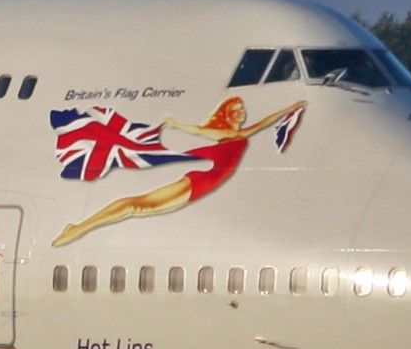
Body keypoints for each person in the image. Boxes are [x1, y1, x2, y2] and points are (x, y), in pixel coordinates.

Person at [53, 95, 303, 247]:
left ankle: (78, 227)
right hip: (198, 182)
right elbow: (197, 131)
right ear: (227, 114)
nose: (241, 114)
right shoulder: (223, 133)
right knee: (136, 206)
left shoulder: (239, 133)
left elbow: (264, 122)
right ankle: (77, 228)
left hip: (204, 184)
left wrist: (289, 108)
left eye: (242, 111)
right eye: (235, 111)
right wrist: (176, 124)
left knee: (138, 207)